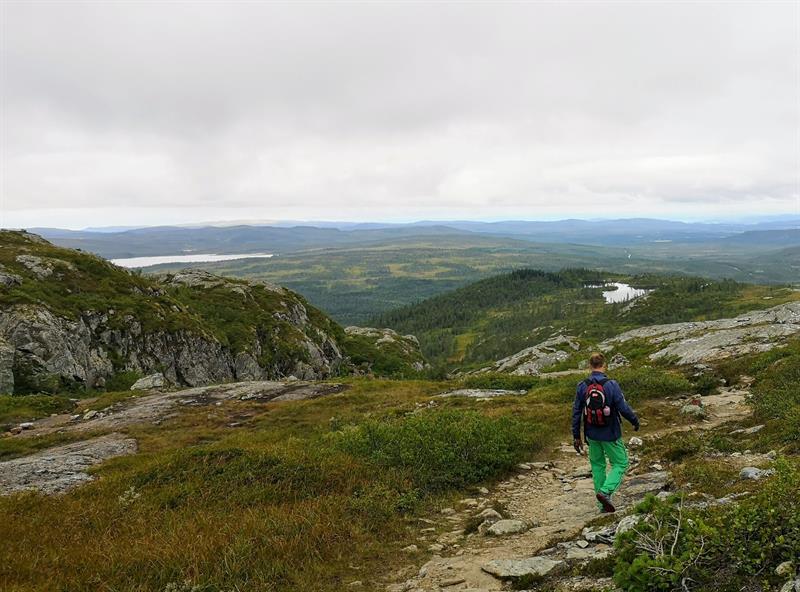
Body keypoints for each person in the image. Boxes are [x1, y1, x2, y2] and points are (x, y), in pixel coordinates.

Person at [571, 352, 639, 513]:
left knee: (597, 466)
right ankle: (606, 491)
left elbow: (576, 412)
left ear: (590, 366)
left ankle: (602, 506)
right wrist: (634, 421)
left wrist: (576, 436)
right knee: (621, 463)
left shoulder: (582, 385)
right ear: (604, 365)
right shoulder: (611, 385)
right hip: (610, 432)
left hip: (591, 434)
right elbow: (623, 408)